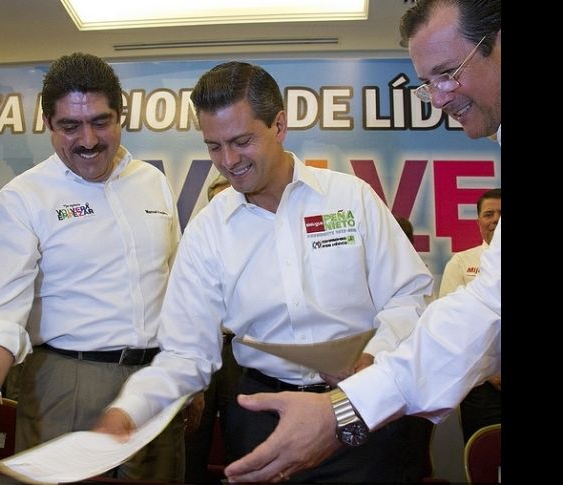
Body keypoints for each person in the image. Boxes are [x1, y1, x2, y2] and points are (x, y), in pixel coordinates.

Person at [96, 61, 434, 483]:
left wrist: (374, 357)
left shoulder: (351, 199)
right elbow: (186, 352)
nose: (228, 161)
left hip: (360, 405)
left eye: (241, 141)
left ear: (279, 125)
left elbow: (409, 295)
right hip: (262, 415)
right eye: (214, 146)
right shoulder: (208, 231)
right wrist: (128, 410)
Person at [222, 0, 501, 481]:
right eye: (428, 83)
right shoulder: (213, 223)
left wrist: (349, 403)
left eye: (449, 73)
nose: (438, 98)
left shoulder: (350, 196)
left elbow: (480, 311)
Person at [0, 52, 185, 482]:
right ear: (48, 124)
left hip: (157, 383)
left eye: (100, 122)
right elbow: (0, 310)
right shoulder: (24, 198)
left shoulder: (153, 182)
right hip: (66, 382)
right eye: (70, 126)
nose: (88, 140)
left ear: (120, 115)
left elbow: (175, 284)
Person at [184, 173, 244, 483]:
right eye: (217, 202)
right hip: (204, 350)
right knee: (193, 438)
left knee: (243, 439)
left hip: (241, 354)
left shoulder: (262, 245)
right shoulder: (197, 245)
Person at [439, 188, 501, 442]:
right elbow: (449, 327)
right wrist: (488, 372)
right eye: (489, 214)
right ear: (478, 222)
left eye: (501, 213)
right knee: (485, 456)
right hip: (482, 385)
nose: (496, 219)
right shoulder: (461, 263)